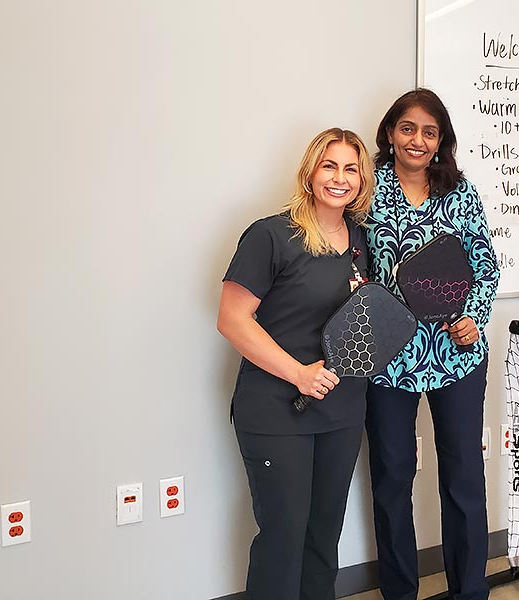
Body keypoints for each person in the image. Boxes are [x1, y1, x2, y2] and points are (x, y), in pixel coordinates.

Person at [216, 127, 374, 600]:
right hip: (278, 410)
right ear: (310, 171)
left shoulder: (363, 241)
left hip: (342, 412)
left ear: (362, 179)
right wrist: (298, 374)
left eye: (351, 168)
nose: (339, 178)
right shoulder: (271, 235)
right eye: (329, 165)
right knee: (283, 538)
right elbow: (231, 319)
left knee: (323, 537)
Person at [365, 89, 500, 600]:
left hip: (455, 353)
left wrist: (473, 315)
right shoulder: (366, 188)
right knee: (391, 477)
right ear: (390, 133)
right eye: (407, 128)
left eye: (429, 131)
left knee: (463, 477)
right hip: (388, 358)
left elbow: (485, 263)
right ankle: (399, 592)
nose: (417, 140)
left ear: (441, 140)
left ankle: (470, 592)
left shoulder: (461, 192)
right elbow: (346, 257)